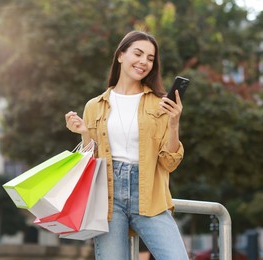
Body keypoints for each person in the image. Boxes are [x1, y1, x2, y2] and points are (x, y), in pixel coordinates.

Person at [65, 30, 189, 260]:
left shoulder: (160, 105)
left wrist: (173, 124)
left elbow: (169, 163)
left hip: (150, 195)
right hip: (108, 199)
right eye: (138, 54)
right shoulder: (94, 106)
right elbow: (89, 162)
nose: (144, 62)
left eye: (150, 58)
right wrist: (84, 133)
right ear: (121, 55)